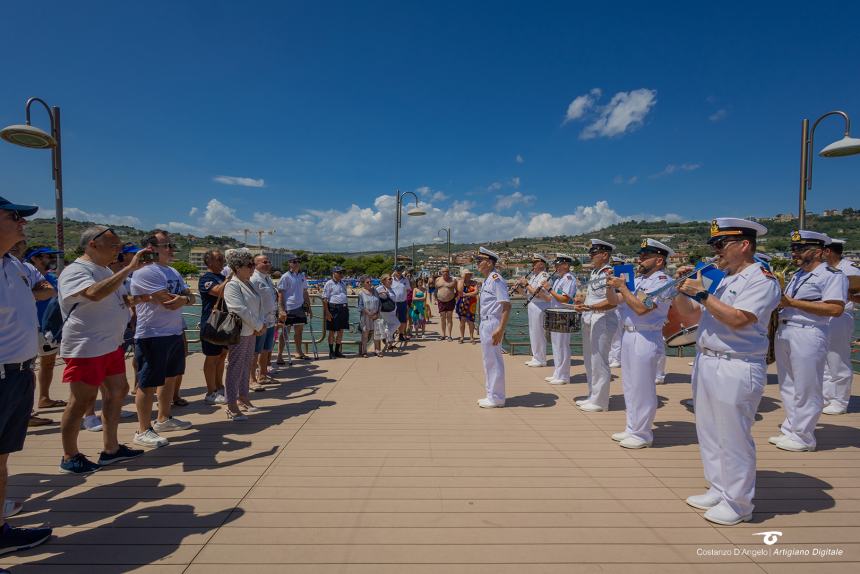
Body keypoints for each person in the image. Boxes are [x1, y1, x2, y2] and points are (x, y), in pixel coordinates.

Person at [671, 218, 780, 525]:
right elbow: (689, 314)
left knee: (733, 435)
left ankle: (739, 503)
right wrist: (684, 291)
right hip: (708, 360)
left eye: (721, 245)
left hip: (737, 363)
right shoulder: (726, 278)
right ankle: (718, 487)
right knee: (709, 430)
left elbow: (739, 319)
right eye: (715, 246)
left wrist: (703, 294)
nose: (716, 251)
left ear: (743, 245)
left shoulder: (760, 279)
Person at [56, 226, 148, 473]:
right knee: (81, 400)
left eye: (119, 246)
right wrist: (129, 269)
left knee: (118, 390)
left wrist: (136, 300)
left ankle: (111, 448)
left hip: (109, 344)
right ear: (92, 245)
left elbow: (114, 298)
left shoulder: (105, 270)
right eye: (114, 245)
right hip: (87, 346)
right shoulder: (76, 271)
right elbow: (93, 294)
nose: (118, 250)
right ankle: (69, 454)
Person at [0, 196, 53, 556]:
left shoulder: (13, 266)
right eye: (16, 216)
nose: (24, 224)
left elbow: (46, 290)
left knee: (1, 458)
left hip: (18, 374)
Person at [771, 230, 846, 452]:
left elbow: (835, 308)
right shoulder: (797, 275)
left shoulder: (831, 275)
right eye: (794, 249)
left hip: (809, 332)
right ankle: (792, 429)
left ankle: (804, 437)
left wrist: (791, 302)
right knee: (788, 385)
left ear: (820, 252)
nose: (795, 253)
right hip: (786, 331)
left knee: (807, 386)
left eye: (801, 249)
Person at [605, 239, 673, 449]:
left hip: (646, 336)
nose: (640, 259)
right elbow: (616, 301)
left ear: (659, 260)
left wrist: (623, 287)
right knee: (630, 385)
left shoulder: (662, 281)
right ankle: (632, 427)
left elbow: (643, 308)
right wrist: (610, 286)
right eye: (641, 256)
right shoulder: (641, 280)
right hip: (629, 335)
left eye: (645, 256)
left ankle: (643, 434)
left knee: (643, 386)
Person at [130, 230, 194, 448]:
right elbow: (168, 301)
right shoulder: (146, 272)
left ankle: (164, 418)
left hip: (173, 332)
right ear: (151, 249)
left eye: (170, 245)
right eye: (166, 245)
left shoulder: (173, 271)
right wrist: (183, 299)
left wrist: (183, 299)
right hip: (153, 334)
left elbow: (189, 297)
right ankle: (142, 429)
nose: (171, 249)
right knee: (147, 382)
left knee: (170, 377)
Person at [574, 239, 619, 412]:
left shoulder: (610, 273)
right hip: (591, 317)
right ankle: (593, 394)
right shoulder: (596, 272)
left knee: (599, 360)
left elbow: (612, 302)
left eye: (594, 253)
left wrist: (590, 307)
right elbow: (592, 297)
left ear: (605, 255)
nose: (591, 256)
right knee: (589, 359)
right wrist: (582, 304)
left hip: (603, 318)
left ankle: (600, 401)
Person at [222, 249, 265, 421]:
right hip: (240, 333)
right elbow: (239, 309)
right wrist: (258, 324)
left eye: (253, 264)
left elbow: (257, 306)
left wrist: (260, 325)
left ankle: (243, 398)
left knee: (246, 366)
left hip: (251, 331)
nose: (252, 268)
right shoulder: (233, 285)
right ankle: (231, 405)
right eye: (249, 265)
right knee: (235, 368)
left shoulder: (248, 283)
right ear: (237, 267)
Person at [24, 247, 66, 411]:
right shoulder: (25, 276)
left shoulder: (51, 277)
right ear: (34, 258)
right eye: (47, 256)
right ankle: (27, 407)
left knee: (47, 364)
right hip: (32, 327)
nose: (50, 259)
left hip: (48, 328)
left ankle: (44, 398)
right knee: (28, 367)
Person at [821, 238, 860, 415]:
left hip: (841, 316)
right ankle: (828, 396)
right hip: (825, 316)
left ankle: (840, 400)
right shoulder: (826, 270)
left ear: (828, 251)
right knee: (826, 359)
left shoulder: (850, 270)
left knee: (838, 358)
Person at [475, 247, 511, 408]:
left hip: (493, 323)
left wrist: (500, 329)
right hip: (485, 322)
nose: (477, 264)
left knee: (494, 361)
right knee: (488, 360)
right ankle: (491, 394)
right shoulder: (488, 279)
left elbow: (506, 306)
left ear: (489, 263)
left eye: (479, 261)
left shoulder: (496, 279)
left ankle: (497, 397)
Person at [198, 250, 227, 405]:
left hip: (223, 323)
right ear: (209, 262)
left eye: (222, 258)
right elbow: (218, 291)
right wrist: (230, 278)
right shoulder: (206, 278)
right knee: (211, 357)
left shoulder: (222, 277)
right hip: (211, 323)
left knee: (222, 355)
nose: (222, 261)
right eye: (219, 258)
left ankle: (219, 386)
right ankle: (210, 391)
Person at [543, 254, 577, 385]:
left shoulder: (569, 279)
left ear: (566, 265)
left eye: (558, 265)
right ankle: (557, 372)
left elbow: (565, 299)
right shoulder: (559, 279)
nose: (556, 267)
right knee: (556, 345)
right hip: (556, 313)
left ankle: (563, 376)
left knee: (562, 345)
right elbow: (553, 297)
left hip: (565, 314)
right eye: (555, 265)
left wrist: (549, 289)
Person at [518, 254, 551, 367]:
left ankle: (541, 359)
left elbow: (537, 294)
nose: (532, 266)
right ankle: (536, 356)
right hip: (532, 305)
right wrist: (519, 288)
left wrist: (526, 284)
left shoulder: (544, 276)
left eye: (534, 263)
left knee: (539, 332)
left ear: (541, 264)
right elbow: (528, 294)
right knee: (533, 332)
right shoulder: (534, 276)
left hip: (540, 306)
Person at [277, 254, 312, 363]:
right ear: (289, 263)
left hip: (300, 307)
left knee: (299, 331)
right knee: (285, 332)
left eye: (297, 261)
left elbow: (305, 292)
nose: (296, 263)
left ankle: (299, 352)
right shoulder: (285, 276)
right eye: (294, 261)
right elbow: (281, 293)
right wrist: (281, 309)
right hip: (289, 307)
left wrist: (309, 307)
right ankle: (279, 355)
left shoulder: (302, 276)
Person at [250, 254, 278, 385]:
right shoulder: (254, 279)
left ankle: (263, 375)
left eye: (269, 261)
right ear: (255, 264)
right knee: (255, 351)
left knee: (266, 349)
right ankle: (251, 378)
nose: (268, 264)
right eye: (264, 262)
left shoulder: (267, 278)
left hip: (271, 320)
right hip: (260, 321)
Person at [322, 266, 349, 358]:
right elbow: (325, 299)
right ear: (334, 273)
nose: (341, 274)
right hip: (333, 309)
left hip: (343, 308)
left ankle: (337, 351)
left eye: (342, 272)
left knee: (341, 331)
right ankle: (331, 352)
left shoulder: (343, 283)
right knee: (332, 331)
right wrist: (327, 312)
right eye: (339, 272)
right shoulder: (329, 283)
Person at [357, 275, 381, 356]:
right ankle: (364, 351)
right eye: (367, 282)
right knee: (365, 334)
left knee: (376, 334)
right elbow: (360, 306)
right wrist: (369, 313)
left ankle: (377, 350)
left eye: (371, 281)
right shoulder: (361, 293)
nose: (370, 283)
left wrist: (377, 313)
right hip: (366, 317)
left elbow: (380, 303)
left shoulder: (375, 291)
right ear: (363, 283)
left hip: (376, 316)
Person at [377, 274, 400, 351]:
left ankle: (390, 344)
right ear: (384, 281)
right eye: (389, 279)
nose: (391, 280)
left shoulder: (390, 288)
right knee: (397, 324)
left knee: (390, 325)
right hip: (386, 310)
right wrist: (381, 294)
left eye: (391, 279)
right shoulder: (380, 288)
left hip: (392, 310)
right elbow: (375, 295)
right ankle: (384, 334)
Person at [455, 269, 478, 343]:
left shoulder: (474, 283)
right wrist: (463, 279)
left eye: (469, 274)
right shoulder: (460, 282)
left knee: (471, 321)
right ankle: (462, 337)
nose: (468, 276)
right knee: (462, 320)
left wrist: (467, 294)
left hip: (471, 304)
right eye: (466, 274)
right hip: (462, 303)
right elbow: (460, 291)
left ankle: (471, 337)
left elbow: (476, 292)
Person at [435, 267, 457, 340]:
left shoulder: (453, 280)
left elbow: (457, 290)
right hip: (441, 301)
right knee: (442, 318)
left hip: (450, 301)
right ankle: (443, 335)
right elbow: (436, 290)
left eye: (447, 271)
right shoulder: (438, 280)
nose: (445, 273)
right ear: (441, 272)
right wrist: (436, 298)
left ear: (449, 272)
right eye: (444, 271)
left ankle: (449, 335)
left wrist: (454, 298)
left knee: (449, 318)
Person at [391, 265, 410, 342]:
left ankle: (401, 335)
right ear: (394, 271)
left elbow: (408, 290)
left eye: (400, 271)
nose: (398, 272)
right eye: (397, 271)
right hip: (393, 303)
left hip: (403, 303)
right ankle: (391, 334)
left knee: (403, 320)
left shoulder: (406, 280)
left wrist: (403, 296)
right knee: (392, 319)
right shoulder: (391, 280)